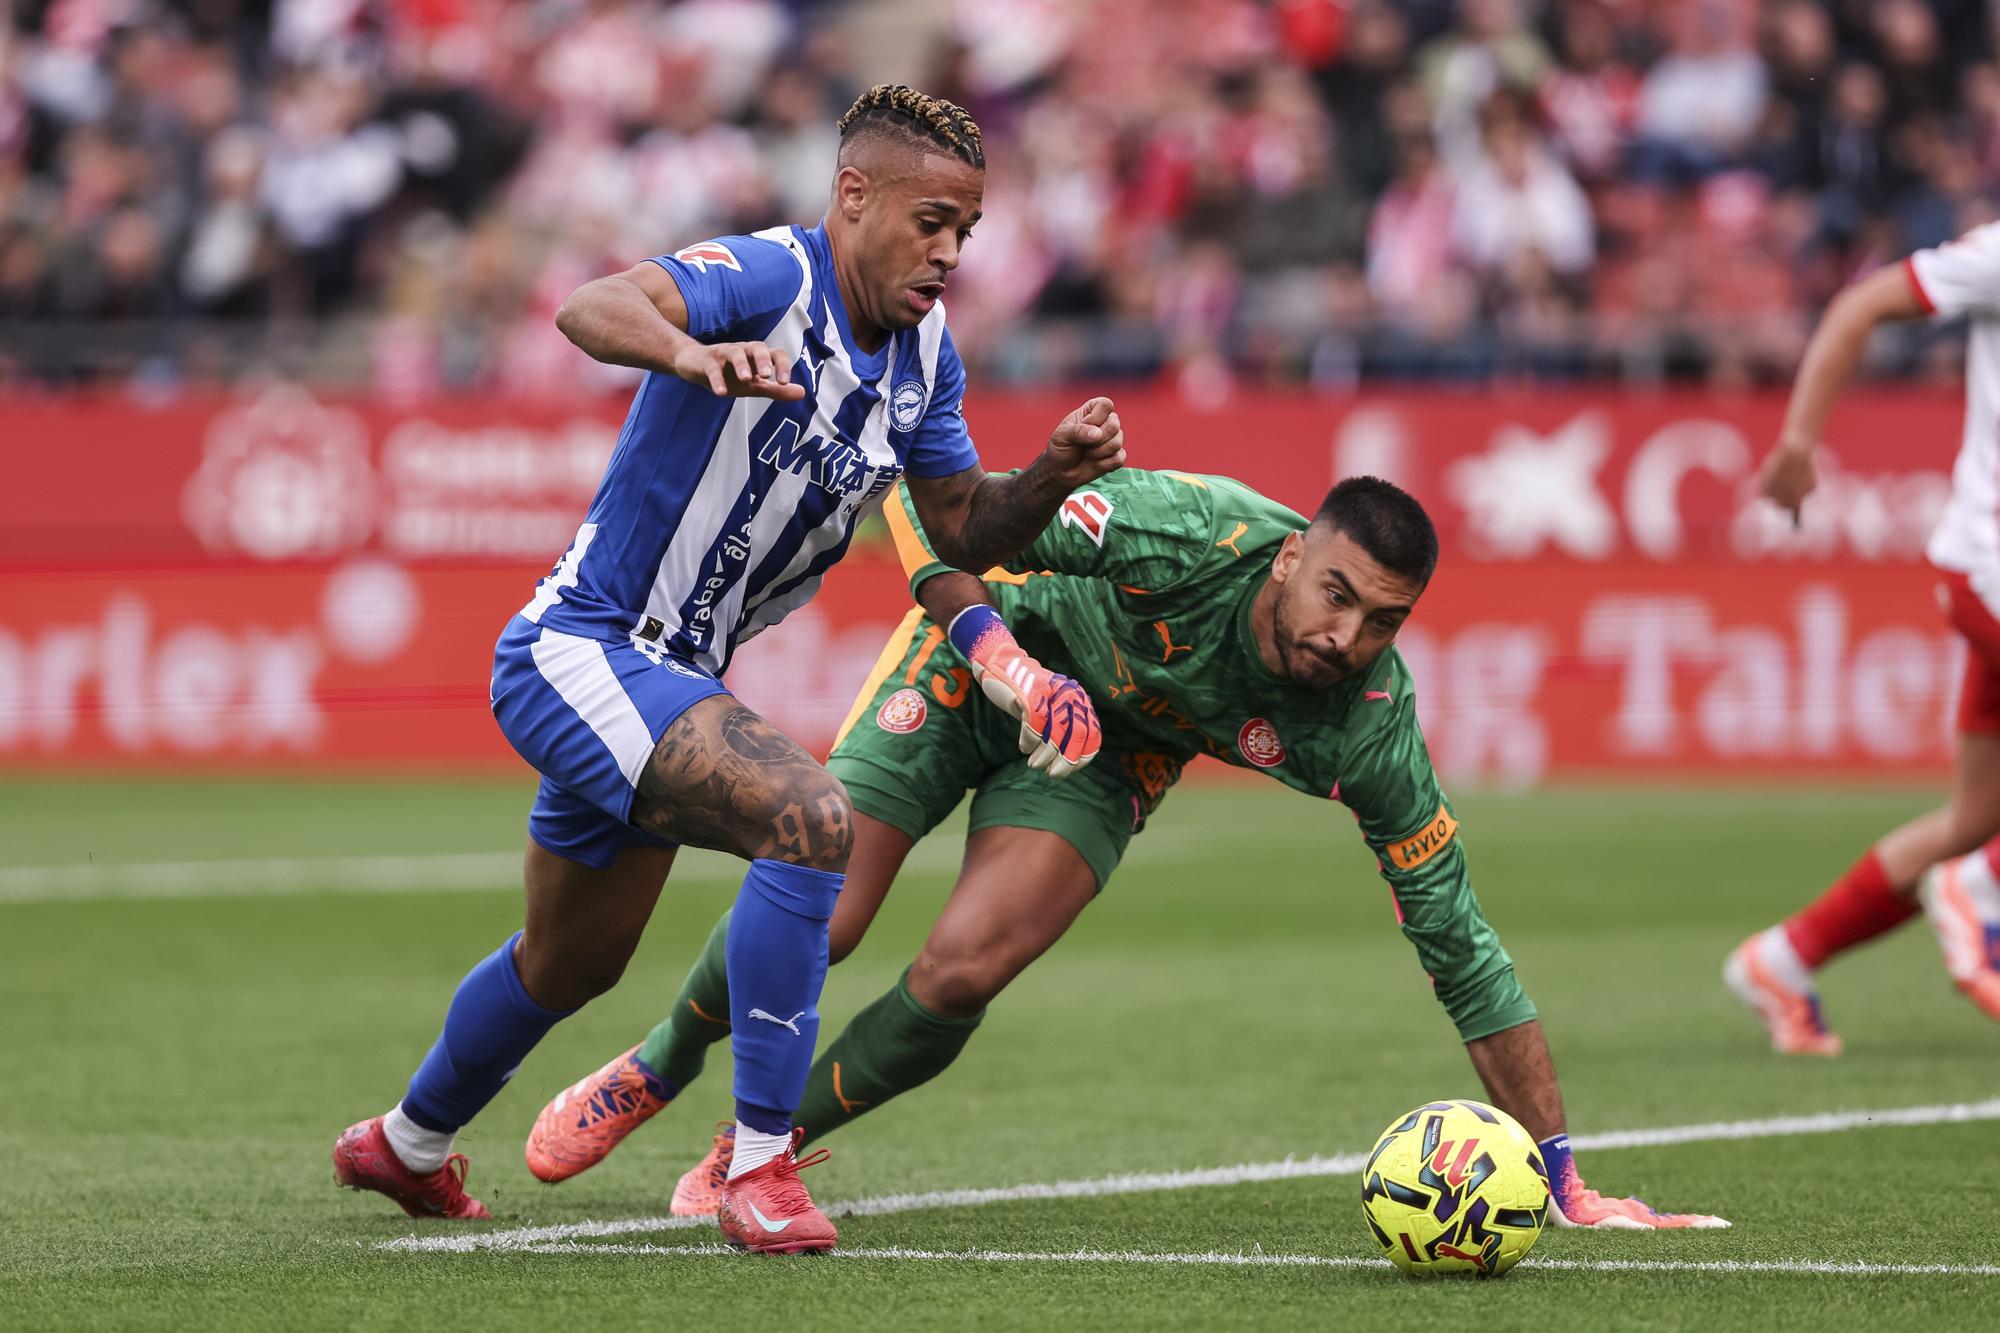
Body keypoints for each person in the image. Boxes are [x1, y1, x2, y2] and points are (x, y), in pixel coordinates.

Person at [331, 84, 1124, 1255]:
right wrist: (683, 352)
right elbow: (592, 306)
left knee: (571, 962)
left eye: (966, 228)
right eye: (931, 219)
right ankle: (758, 1169)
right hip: (580, 647)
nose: (950, 250)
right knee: (808, 816)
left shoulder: (924, 354)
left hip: (671, 677)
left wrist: (1049, 474)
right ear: (852, 196)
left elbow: (958, 527)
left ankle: (402, 1144)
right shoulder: (769, 275)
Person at [527, 466, 1727, 1237]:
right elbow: (944, 518)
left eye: (1381, 621)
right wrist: (1008, 661)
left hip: (1111, 752)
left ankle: (765, 1146)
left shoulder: (1370, 729)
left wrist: (1560, 1170)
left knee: (963, 970)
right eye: (1335, 594)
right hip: (974, 668)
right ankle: (659, 1059)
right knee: (825, 910)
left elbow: (1455, 939)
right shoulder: (1179, 527)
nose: (1345, 635)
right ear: (1288, 556)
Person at [1729, 225, 2000, 1055]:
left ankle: (1783, 957)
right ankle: (1981, 890)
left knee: (1976, 813)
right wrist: (1800, 443)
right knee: (1977, 846)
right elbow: (1860, 306)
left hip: (1978, 568)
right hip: (1990, 561)